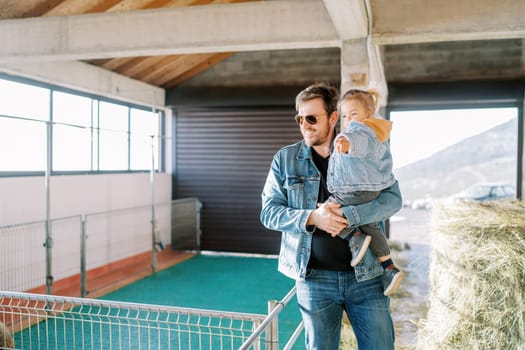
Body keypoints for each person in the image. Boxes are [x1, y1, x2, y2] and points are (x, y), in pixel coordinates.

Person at [260, 82, 402, 350]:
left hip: (367, 277)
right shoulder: (285, 159)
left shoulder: (368, 149)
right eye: (300, 118)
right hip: (314, 280)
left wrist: (351, 215)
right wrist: (313, 217)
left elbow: (394, 199)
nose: (305, 124)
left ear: (333, 117)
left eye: (312, 118)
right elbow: (269, 213)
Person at [325, 88, 404, 296]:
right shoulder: (379, 131)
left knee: (327, 210)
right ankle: (389, 267)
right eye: (344, 115)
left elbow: (360, 142)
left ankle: (354, 236)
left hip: (354, 190)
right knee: (371, 225)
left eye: (353, 114)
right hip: (372, 190)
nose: (348, 119)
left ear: (368, 114)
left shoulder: (361, 131)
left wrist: (346, 143)